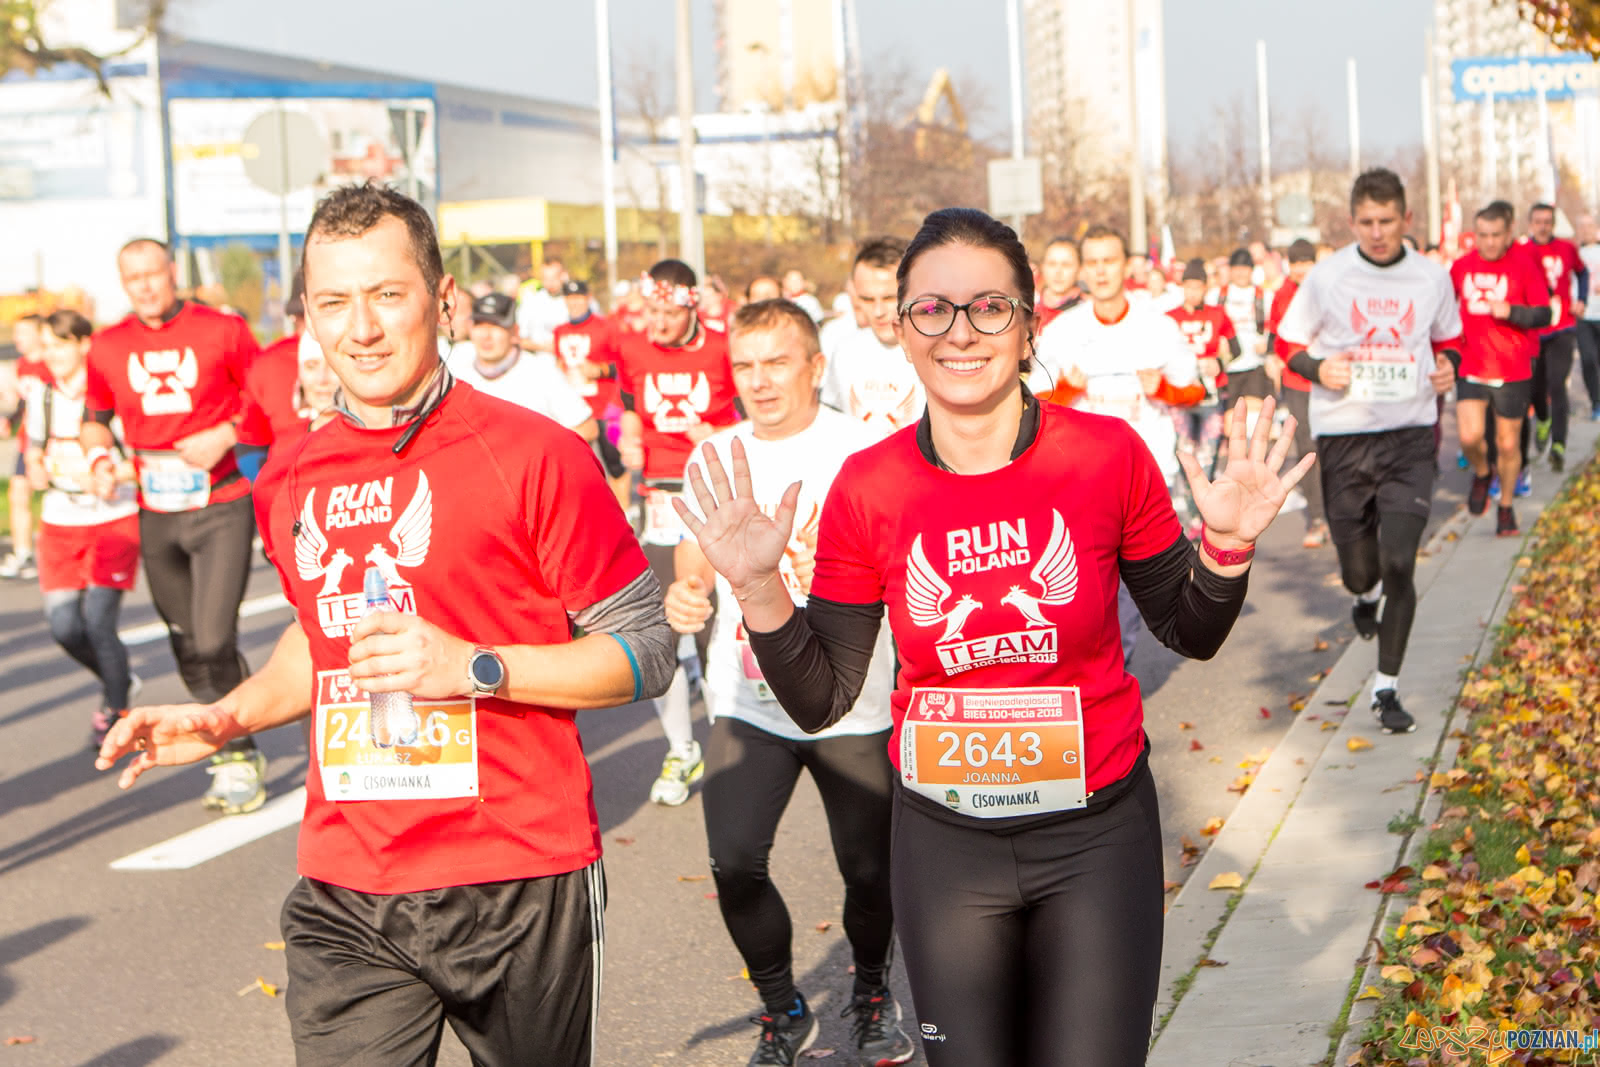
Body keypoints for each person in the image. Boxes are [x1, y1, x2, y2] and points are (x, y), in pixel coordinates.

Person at [674, 206, 1313, 1067]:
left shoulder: (1106, 454)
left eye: (988, 306)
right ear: (903, 331)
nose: (960, 331)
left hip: (1095, 836)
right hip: (946, 847)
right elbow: (822, 698)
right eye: (932, 309)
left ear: (1027, 323)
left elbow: (1187, 629)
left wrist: (1226, 547)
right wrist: (759, 590)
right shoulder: (868, 485)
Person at [97, 183, 674, 1066]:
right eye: (333, 302)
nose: (361, 329)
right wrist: (227, 717)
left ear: (442, 300)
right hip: (348, 881)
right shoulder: (289, 474)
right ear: (306, 316)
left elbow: (646, 649)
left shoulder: (535, 454)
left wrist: (474, 666)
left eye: (386, 294)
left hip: (517, 871)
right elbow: (321, 640)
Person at [665, 299, 913, 1066]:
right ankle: (783, 1007)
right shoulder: (716, 452)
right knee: (735, 861)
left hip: (851, 699)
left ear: (815, 365)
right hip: (747, 700)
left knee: (870, 870)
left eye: (777, 362)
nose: (760, 380)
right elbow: (693, 553)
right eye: (745, 365)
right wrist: (689, 591)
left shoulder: (866, 450)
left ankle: (871, 990)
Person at [81, 237, 270, 813]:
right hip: (156, 509)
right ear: (123, 283)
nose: (144, 286)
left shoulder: (223, 329)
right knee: (186, 643)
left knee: (214, 638)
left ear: (171, 271)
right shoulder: (107, 345)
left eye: (152, 273)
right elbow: (95, 418)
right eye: (132, 277)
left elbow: (266, 396)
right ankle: (231, 742)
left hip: (221, 502)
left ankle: (237, 753)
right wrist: (98, 458)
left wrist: (226, 434)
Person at [1278, 168, 1464, 735]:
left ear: (1407, 219)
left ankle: (1386, 689)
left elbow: (1450, 339)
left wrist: (1449, 366)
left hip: (1410, 434)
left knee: (1401, 560)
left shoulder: (1431, 277)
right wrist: (1319, 369)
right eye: (1367, 222)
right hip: (1344, 436)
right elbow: (1287, 343)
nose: (1378, 233)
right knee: (1360, 571)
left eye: (1387, 221)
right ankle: (1365, 594)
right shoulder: (1328, 277)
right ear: (1351, 222)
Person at [1032, 225, 1204, 657]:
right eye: (1092, 262)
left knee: (1133, 587)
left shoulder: (1157, 327)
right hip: (1079, 475)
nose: (1101, 271)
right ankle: (1101, 663)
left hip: (1145, 473)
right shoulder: (1063, 331)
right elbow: (1032, 401)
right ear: (1082, 269)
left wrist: (1163, 389)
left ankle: (1116, 663)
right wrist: (1066, 389)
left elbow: (1195, 390)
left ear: (1126, 265)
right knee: (1087, 579)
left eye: (1109, 261)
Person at [618, 259, 741, 805]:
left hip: (711, 489)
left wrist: (715, 432)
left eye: (668, 312)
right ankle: (682, 748)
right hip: (658, 499)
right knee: (660, 629)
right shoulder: (633, 348)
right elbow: (629, 406)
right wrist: (629, 440)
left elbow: (752, 420)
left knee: (713, 625)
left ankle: (732, 745)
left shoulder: (722, 348)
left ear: (690, 304)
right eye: (651, 311)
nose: (659, 323)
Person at [23, 309, 142, 744]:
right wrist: (36, 469)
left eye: (60, 345)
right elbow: (34, 451)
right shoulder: (43, 397)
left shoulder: (112, 394)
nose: (51, 354)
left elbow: (140, 461)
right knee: (64, 627)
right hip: (60, 520)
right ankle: (119, 677)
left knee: (97, 622)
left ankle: (116, 708)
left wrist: (108, 475)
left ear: (84, 345)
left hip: (111, 518)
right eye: (46, 346)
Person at [1451, 201, 1551, 536]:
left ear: (1508, 233)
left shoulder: (1524, 265)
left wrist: (1512, 311)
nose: (1489, 242)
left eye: (1496, 235)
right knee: (1469, 438)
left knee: (1508, 445)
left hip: (1513, 368)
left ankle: (1505, 507)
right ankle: (1482, 473)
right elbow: (1443, 310)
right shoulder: (1461, 267)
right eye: (1482, 235)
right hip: (1472, 364)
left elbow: (1544, 314)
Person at [452, 292, 598, 443]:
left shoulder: (541, 372)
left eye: (496, 326)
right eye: (479, 325)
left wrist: (528, 448)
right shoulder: (456, 365)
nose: (486, 335)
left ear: (515, 332)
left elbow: (587, 429)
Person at [820, 237, 924, 438]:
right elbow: (831, 419)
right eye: (867, 299)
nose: (878, 311)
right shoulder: (845, 350)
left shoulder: (937, 349)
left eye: (889, 298)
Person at [1266, 239, 1330, 548]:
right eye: (1296, 263)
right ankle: (1318, 517)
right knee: (1306, 448)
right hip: (1296, 381)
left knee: (1332, 446)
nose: (1301, 269)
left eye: (1306, 262)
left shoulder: (1328, 288)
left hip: (1328, 380)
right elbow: (1274, 334)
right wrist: (1272, 357)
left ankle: (1339, 511)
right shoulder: (1282, 295)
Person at [1520, 202, 1588, 473]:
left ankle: (1559, 444)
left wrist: (1581, 299)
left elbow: (1582, 272)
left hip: (1563, 327)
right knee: (1536, 389)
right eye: (1538, 222)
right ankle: (1543, 419)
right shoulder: (1522, 252)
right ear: (1530, 224)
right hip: (1534, 331)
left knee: (1557, 384)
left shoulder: (1567, 248)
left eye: (1547, 222)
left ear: (1553, 224)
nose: (1543, 226)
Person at [1167, 257, 1239, 502]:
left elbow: (1236, 348)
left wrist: (1220, 362)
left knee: (1207, 458)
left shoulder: (1217, 314)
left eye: (1197, 287)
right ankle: (1191, 510)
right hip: (1181, 396)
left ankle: (1204, 509)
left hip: (1211, 395)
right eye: (1188, 287)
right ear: (1182, 287)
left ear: (1206, 288)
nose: (1193, 292)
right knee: (1184, 455)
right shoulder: (1170, 318)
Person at [2, 312, 46, 580]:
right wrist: (10, 421)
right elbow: (22, 403)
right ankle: (23, 554)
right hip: (27, 441)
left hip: (51, 443)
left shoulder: (52, 363)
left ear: (40, 334)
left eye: (23, 333)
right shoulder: (21, 366)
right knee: (18, 494)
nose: (17, 338)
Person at [1210, 248, 1272, 431]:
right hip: (1227, 367)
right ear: (1230, 270)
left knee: (1254, 421)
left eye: (1245, 268)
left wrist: (1267, 344)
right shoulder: (1216, 295)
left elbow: (1274, 326)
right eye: (1237, 268)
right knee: (1230, 424)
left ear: (1252, 270)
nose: (1241, 273)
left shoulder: (1264, 295)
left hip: (1255, 365)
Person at [515, 255, 569, 354]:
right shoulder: (531, 301)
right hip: (539, 359)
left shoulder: (575, 300)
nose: (550, 283)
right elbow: (520, 339)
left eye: (554, 278)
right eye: (545, 278)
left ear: (564, 275)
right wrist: (544, 348)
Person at [1034, 236, 1082, 332]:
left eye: (1066, 265)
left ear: (1080, 269)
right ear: (1042, 266)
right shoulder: (1027, 308)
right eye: (1052, 264)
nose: (1058, 272)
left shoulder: (1088, 311)